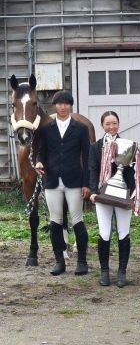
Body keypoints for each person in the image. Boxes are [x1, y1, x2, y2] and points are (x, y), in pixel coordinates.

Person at [34, 90, 91, 276]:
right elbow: (41, 152)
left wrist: (86, 183)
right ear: (54, 106)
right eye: (59, 104)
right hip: (52, 180)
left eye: (66, 103)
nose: (63, 107)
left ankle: (82, 261)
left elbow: (87, 156)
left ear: (70, 105)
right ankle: (59, 260)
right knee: (55, 222)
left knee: (77, 221)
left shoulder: (81, 128)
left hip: (74, 180)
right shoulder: (45, 129)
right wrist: (39, 161)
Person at [88, 111, 135, 288]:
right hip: (103, 193)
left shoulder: (128, 145)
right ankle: (104, 271)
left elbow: (131, 172)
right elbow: (92, 169)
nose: (111, 127)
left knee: (123, 232)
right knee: (104, 232)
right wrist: (93, 191)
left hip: (123, 192)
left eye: (114, 123)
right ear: (102, 126)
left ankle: (122, 272)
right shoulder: (95, 147)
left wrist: (134, 192)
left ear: (119, 124)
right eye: (107, 124)